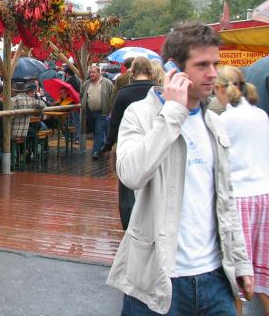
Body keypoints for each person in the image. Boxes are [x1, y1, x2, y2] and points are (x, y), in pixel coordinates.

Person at [107, 21, 254, 315]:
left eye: (215, 63)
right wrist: (174, 111)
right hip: (158, 279)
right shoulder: (142, 114)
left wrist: (240, 261)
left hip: (215, 279)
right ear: (173, 68)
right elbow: (131, 174)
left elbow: (226, 200)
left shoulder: (213, 122)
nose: (212, 73)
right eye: (202, 65)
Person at [213, 66, 269, 316]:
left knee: (234, 275)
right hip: (264, 195)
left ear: (223, 89)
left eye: (216, 90)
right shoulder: (261, 115)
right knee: (262, 272)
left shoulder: (224, 120)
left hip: (239, 199)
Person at [101, 57, 155, 230]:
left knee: (126, 184)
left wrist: (108, 145)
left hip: (129, 143)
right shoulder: (157, 91)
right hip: (153, 143)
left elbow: (114, 122)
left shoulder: (123, 93)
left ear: (132, 72)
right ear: (150, 71)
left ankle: (129, 221)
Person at [81, 65, 113, 159]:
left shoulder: (107, 83)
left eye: (93, 72)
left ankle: (96, 151)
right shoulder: (86, 84)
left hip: (103, 112)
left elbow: (113, 96)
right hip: (90, 112)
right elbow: (81, 95)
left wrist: (111, 111)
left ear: (99, 73)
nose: (91, 74)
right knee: (95, 131)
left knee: (99, 130)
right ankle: (102, 146)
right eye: (90, 72)